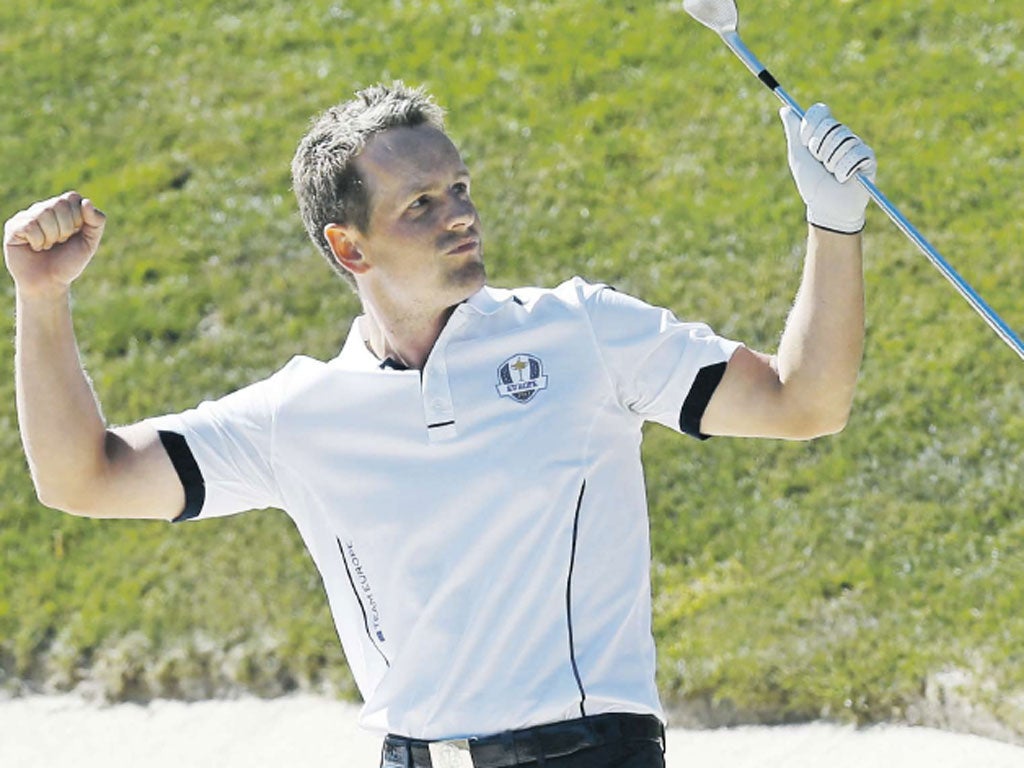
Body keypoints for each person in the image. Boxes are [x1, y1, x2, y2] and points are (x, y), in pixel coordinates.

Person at [4, 82, 874, 768]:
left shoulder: (582, 333)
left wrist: (832, 221)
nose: (458, 211)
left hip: (588, 756)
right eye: (419, 203)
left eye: (458, 187)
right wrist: (42, 301)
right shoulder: (299, 415)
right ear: (350, 249)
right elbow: (81, 477)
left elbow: (805, 402)